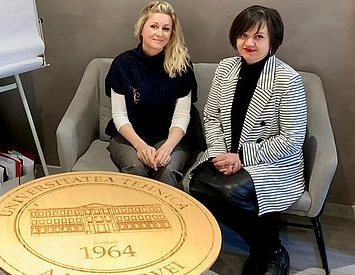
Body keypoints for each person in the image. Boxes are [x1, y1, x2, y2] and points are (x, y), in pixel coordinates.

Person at [188, 5, 307, 275]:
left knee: (229, 192)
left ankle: (270, 251)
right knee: (197, 184)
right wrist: (220, 154)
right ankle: (266, 247)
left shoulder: (288, 79)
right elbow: (211, 117)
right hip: (226, 152)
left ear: (273, 41)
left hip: (273, 160)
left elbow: (292, 139)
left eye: (259, 37)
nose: (249, 43)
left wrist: (242, 158)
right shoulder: (226, 68)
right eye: (243, 35)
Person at [105, 0, 197, 188]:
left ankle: (171, 218)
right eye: (154, 26)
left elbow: (181, 116)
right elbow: (119, 116)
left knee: (168, 171)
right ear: (142, 29)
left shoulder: (182, 66)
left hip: (169, 137)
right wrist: (140, 146)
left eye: (166, 28)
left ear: (172, 34)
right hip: (129, 137)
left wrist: (167, 148)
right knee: (137, 168)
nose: (159, 33)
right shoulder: (123, 65)